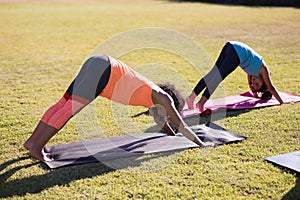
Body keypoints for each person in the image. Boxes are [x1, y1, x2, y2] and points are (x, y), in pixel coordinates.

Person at [24, 55, 212, 161]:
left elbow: (162, 122)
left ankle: (32, 143)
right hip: (105, 71)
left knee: (63, 103)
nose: (168, 116)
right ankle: (38, 148)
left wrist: (169, 133)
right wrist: (201, 144)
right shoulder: (163, 99)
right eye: (170, 113)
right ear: (171, 102)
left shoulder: (154, 99)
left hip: (98, 62)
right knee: (69, 109)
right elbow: (182, 126)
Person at [186, 41, 284, 111]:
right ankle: (201, 103)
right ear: (264, 82)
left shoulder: (254, 73)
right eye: (256, 84)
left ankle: (191, 98)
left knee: (213, 74)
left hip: (230, 46)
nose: (253, 83)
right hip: (236, 52)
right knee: (218, 77)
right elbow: (271, 88)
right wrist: (281, 102)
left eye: (253, 85)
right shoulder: (264, 70)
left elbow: (251, 84)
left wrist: (255, 94)